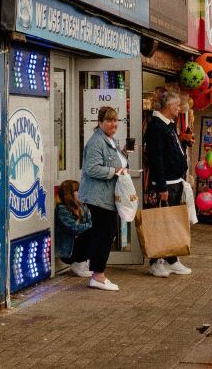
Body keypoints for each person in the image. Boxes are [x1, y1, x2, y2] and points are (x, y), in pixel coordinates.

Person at [79, 106, 128, 291]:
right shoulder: (96, 142)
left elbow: (110, 162)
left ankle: (81, 261)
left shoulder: (111, 140)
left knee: (102, 234)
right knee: (104, 235)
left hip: (106, 197)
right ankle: (98, 275)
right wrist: (114, 171)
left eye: (115, 120)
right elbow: (91, 169)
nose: (113, 124)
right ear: (100, 122)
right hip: (97, 198)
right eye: (108, 120)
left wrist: (123, 155)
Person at [144, 87, 192, 278]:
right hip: (165, 184)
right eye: (177, 105)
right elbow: (157, 159)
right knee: (161, 222)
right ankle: (156, 261)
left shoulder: (169, 125)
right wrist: (162, 186)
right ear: (168, 105)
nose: (179, 108)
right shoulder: (157, 127)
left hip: (176, 181)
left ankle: (172, 259)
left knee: (172, 222)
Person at [55, 179, 93, 277]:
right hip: (68, 251)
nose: (81, 193)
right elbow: (74, 228)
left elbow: (90, 222)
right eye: (78, 190)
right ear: (69, 194)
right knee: (91, 231)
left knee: (99, 232)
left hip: (77, 245)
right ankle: (78, 263)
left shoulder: (82, 207)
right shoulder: (62, 209)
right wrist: (91, 226)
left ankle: (84, 263)